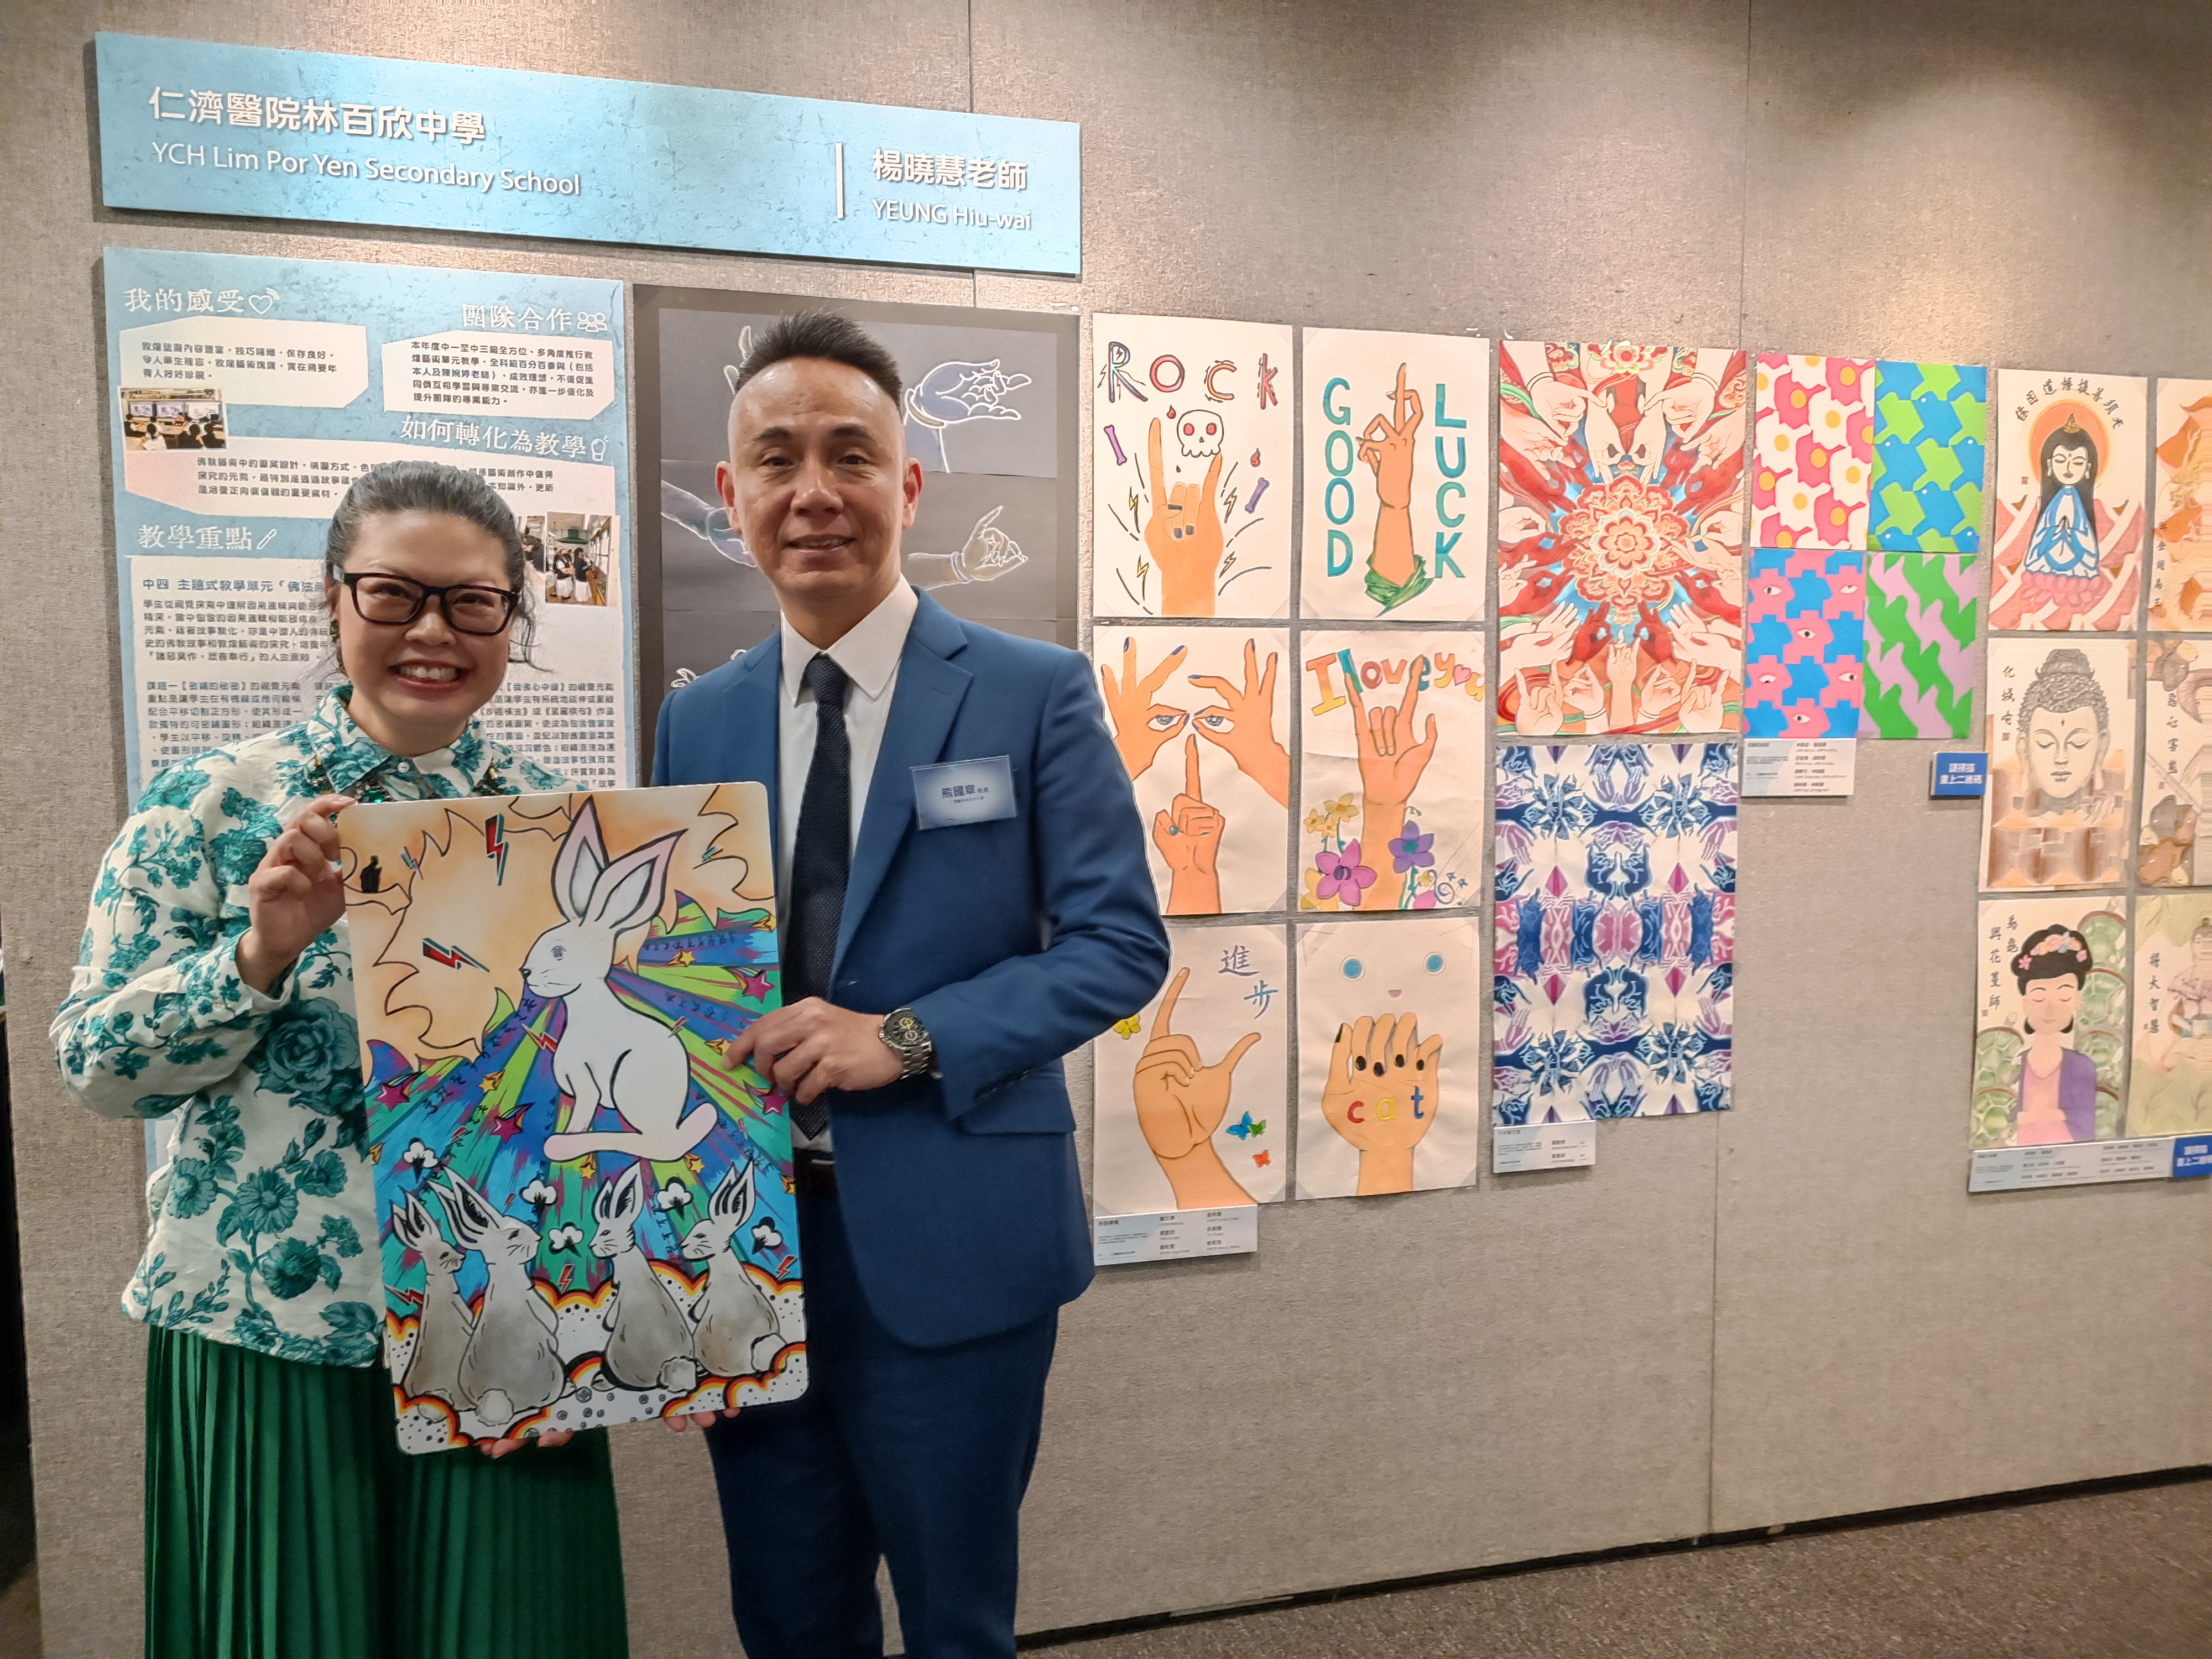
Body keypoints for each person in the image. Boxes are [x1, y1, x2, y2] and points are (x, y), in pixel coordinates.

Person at [653, 312, 1167, 1658]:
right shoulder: (696, 716)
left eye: (851, 455)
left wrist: (909, 1035)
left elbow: (1119, 945)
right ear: (732, 496)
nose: (813, 491)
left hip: (956, 1237)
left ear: (909, 484)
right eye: (777, 460)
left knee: (954, 1622)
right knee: (787, 1617)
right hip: (749, 1251)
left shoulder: (1031, 692)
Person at [52, 461, 629, 1659]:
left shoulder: (562, 823)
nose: (432, 631)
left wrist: (611, 1337)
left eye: (472, 602)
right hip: (272, 1317)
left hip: (501, 1323)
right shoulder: (215, 807)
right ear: (333, 599)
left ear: (512, 620)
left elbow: (598, 1098)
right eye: (393, 594)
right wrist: (256, 954)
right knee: (285, 1631)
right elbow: (99, 1070)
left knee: (512, 1635)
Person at [2006, 924, 2099, 1145]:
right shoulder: (2011, 1065)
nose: (2050, 1009)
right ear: (2025, 1003)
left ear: (2077, 1000)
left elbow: (2087, 1130)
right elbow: (1998, 1126)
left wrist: (2043, 1116)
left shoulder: (2082, 1066)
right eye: (2039, 997)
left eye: (2064, 997)